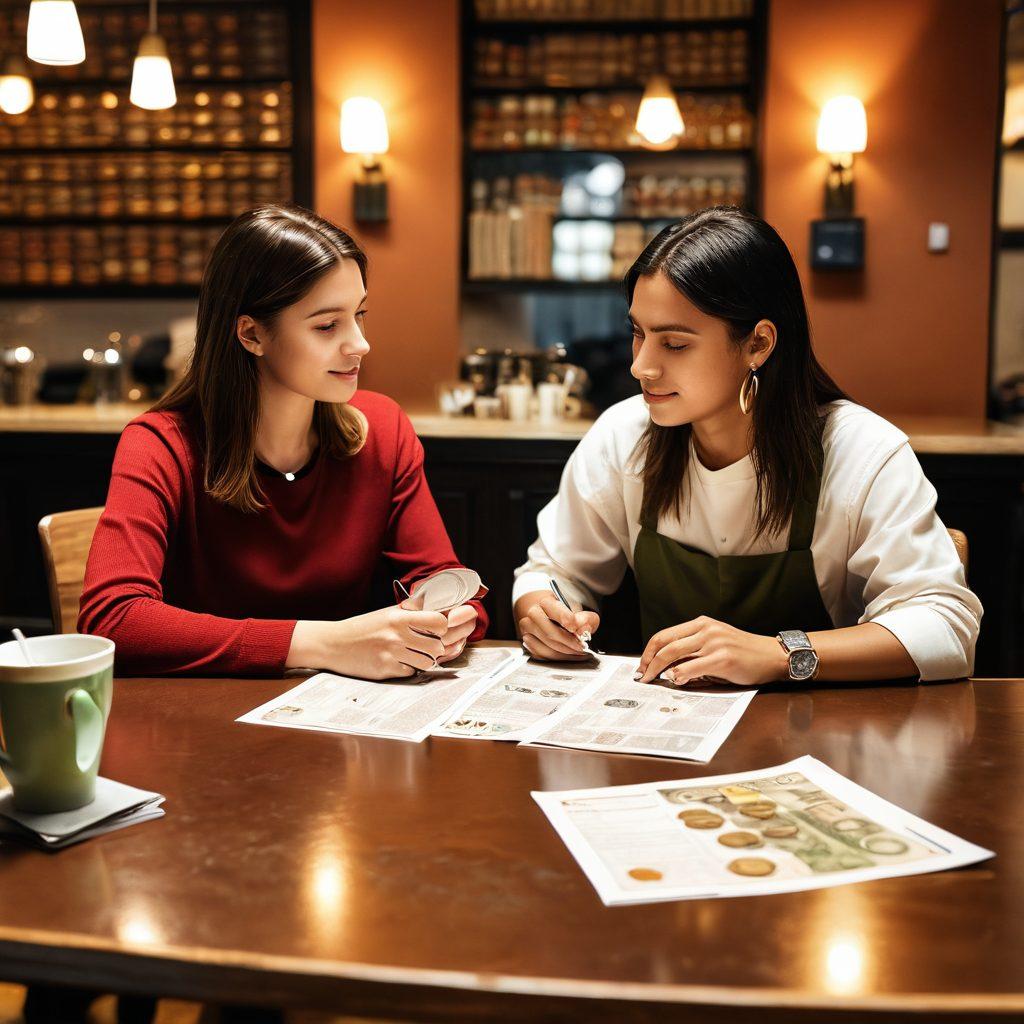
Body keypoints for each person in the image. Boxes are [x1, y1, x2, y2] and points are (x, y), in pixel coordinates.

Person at [513, 207, 981, 686]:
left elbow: (945, 628)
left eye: (674, 344)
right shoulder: (624, 437)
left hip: (818, 737)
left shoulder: (860, 452)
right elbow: (551, 571)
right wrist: (545, 612)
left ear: (758, 344)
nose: (641, 367)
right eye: (638, 333)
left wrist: (780, 654)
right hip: (672, 739)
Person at [80, 203, 486, 679]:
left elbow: (443, 578)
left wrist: (457, 616)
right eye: (327, 325)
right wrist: (322, 643)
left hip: (338, 724)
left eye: (359, 314)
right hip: (202, 730)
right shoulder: (160, 445)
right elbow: (112, 620)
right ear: (252, 334)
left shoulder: (383, 429)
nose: (359, 343)